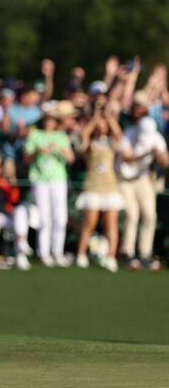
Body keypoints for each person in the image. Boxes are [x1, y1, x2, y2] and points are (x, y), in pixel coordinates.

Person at [117, 94, 169, 271]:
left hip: (143, 178)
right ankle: (127, 252)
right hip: (125, 179)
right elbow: (126, 157)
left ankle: (145, 253)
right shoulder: (129, 133)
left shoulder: (156, 138)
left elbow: (166, 162)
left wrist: (159, 155)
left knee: (150, 215)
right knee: (132, 214)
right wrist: (146, 153)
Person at [24, 105, 74, 267]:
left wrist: (58, 149)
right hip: (40, 179)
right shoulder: (35, 135)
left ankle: (57, 252)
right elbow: (26, 157)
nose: (49, 123)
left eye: (52, 120)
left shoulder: (61, 136)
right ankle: (43, 252)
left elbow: (70, 158)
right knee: (44, 217)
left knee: (60, 217)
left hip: (58, 180)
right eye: (47, 120)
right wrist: (39, 152)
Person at [74, 108, 123, 272]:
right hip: (93, 186)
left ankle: (111, 256)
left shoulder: (111, 143)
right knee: (89, 223)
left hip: (110, 187)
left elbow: (117, 133)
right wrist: (95, 118)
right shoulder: (90, 144)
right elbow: (83, 136)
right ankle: (81, 254)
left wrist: (108, 116)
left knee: (111, 224)